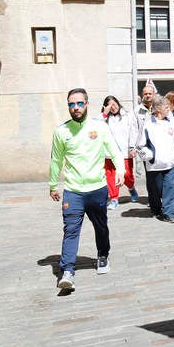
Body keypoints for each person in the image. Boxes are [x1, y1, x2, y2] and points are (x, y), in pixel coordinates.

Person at [49, 88, 125, 290]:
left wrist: (120, 170)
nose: (75, 107)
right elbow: (56, 160)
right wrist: (52, 184)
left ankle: (102, 255)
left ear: (87, 105)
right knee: (71, 230)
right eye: (71, 104)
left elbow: (115, 151)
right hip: (73, 191)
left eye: (79, 103)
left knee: (101, 226)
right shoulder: (61, 132)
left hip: (97, 189)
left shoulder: (99, 127)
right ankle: (67, 271)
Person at [136, 95, 174, 223]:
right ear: (157, 109)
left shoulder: (171, 122)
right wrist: (149, 156)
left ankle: (168, 213)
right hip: (155, 165)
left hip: (172, 163)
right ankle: (156, 209)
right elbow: (140, 145)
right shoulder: (148, 124)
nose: (169, 109)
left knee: (170, 187)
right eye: (166, 107)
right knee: (155, 190)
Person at [101, 95, 138, 208]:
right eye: (109, 106)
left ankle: (131, 188)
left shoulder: (128, 116)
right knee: (111, 176)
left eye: (114, 104)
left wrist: (132, 147)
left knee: (127, 175)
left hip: (124, 152)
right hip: (109, 154)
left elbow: (133, 131)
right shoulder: (104, 119)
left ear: (118, 103)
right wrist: (104, 114)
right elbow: (96, 127)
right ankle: (114, 199)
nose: (113, 107)